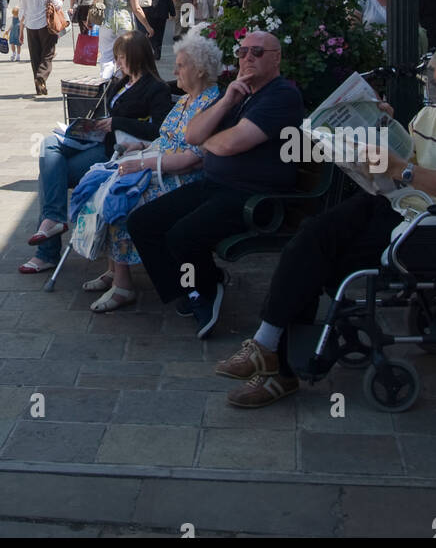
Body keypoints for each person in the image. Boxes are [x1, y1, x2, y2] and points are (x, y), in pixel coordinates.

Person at [217, 31, 436, 407]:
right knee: (312, 237)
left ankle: (275, 362)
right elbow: (401, 162)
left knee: (318, 258)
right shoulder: (430, 116)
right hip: (399, 206)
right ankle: (270, 352)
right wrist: (378, 136)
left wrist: (402, 171)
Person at [126, 29, 304, 339]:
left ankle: (204, 291)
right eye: (242, 52)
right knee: (142, 222)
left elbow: (232, 144)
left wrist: (212, 142)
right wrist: (226, 102)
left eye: (257, 52)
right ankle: (189, 289)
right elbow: (193, 136)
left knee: (182, 235)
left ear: (276, 59)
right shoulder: (236, 94)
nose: (247, 57)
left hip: (253, 197)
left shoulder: (282, 95)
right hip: (216, 184)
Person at [83, 30, 223, 312]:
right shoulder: (185, 100)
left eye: (181, 65)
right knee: (101, 183)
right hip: (162, 166)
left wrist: (145, 162)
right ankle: (114, 269)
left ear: (199, 70)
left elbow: (193, 158)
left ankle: (123, 285)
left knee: (121, 200)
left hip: (184, 177)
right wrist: (139, 148)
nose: (174, 70)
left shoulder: (210, 104)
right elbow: (165, 136)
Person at [19, 32, 172, 274]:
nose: (118, 62)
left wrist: (117, 122)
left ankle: (48, 246)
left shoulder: (156, 88)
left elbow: (160, 130)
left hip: (116, 152)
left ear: (136, 57)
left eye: (122, 57)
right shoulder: (121, 82)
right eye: (118, 57)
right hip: (96, 140)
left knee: (50, 175)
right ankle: (54, 223)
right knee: (49, 145)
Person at [96, 0, 153, 72]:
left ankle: (108, 82)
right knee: (126, 55)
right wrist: (148, 27)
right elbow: (137, 9)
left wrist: (90, 21)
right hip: (125, 25)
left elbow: (95, 3)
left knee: (106, 57)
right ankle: (123, 80)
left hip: (107, 24)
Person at [19, 0, 64, 97]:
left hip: (31, 26)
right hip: (46, 25)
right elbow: (57, 5)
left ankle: (39, 87)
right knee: (48, 53)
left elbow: (22, 9)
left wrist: (21, 28)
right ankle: (41, 76)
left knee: (35, 57)